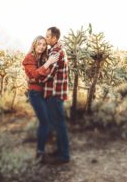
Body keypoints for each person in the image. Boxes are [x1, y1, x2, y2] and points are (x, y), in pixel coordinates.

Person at [22, 35, 59, 162]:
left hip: (45, 93)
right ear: (34, 44)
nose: (42, 47)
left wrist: (38, 75)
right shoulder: (29, 58)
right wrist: (47, 65)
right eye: (39, 44)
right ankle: (40, 153)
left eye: (44, 44)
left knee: (51, 121)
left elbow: (45, 74)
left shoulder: (43, 57)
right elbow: (34, 74)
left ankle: (50, 149)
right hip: (35, 94)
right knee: (45, 122)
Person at [39, 27, 70, 164]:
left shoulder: (56, 52)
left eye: (48, 36)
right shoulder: (59, 49)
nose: (46, 38)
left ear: (54, 38)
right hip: (57, 92)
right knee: (58, 124)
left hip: (54, 93)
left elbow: (50, 74)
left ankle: (64, 155)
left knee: (59, 124)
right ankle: (61, 151)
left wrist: (36, 79)